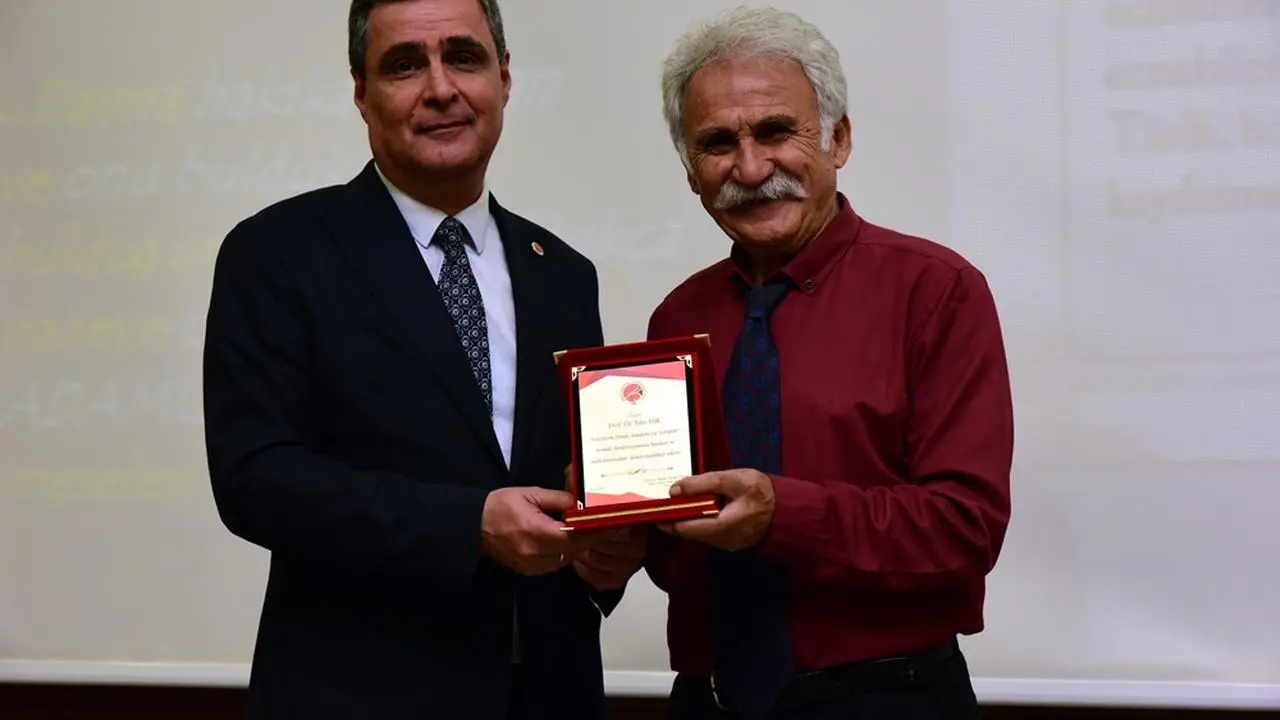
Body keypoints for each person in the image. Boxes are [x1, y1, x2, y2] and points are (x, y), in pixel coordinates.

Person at [200, 1, 644, 718]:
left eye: (463, 58)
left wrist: (608, 550)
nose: (441, 88)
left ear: (504, 78)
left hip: (550, 691)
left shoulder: (562, 272)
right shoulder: (279, 252)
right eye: (405, 65)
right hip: (359, 695)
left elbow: (575, 475)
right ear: (361, 93)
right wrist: (468, 525)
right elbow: (255, 478)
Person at [642, 6, 1015, 719]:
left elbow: (965, 529)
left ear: (838, 139)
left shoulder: (936, 292)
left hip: (888, 699)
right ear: (690, 171)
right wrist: (619, 524)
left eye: (775, 131)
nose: (751, 168)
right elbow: (675, 553)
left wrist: (781, 516)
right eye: (717, 143)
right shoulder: (677, 318)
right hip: (709, 700)